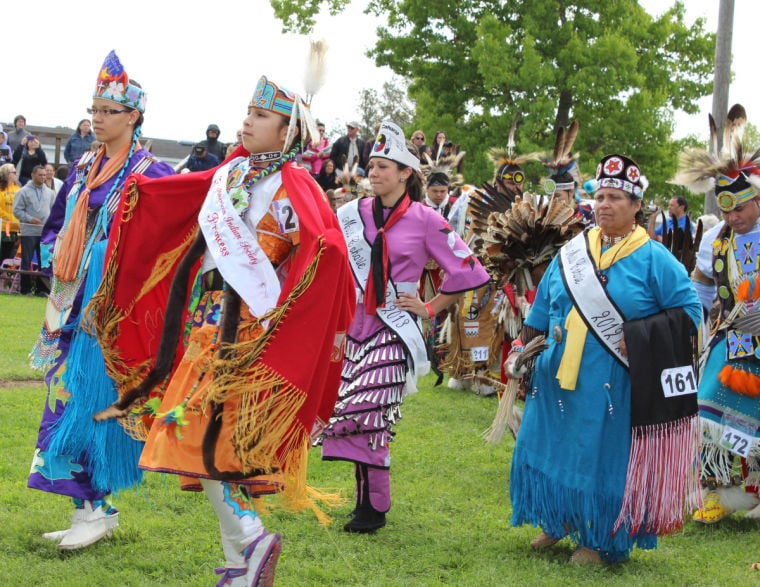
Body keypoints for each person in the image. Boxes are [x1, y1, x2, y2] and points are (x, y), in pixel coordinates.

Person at [90, 73, 354, 586]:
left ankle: (251, 540)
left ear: (286, 133)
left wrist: (286, 290)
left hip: (250, 333)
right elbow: (176, 199)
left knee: (199, 439)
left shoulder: (293, 185)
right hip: (210, 323)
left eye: (262, 116)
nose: (248, 121)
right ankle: (241, 561)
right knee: (206, 443)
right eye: (249, 112)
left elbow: (329, 250)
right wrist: (139, 195)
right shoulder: (231, 174)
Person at [507, 154, 702, 564]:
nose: (604, 205)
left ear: (636, 207)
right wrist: (523, 350)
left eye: (615, 198)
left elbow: (690, 314)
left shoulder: (655, 259)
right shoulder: (572, 253)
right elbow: (543, 308)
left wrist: (641, 335)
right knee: (553, 443)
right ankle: (556, 517)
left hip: (614, 379)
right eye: (600, 197)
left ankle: (601, 538)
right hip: (557, 370)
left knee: (599, 454)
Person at [26, 50, 175, 550]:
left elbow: (167, 242)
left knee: (92, 404)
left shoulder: (150, 173)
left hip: (110, 313)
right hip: (70, 301)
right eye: (94, 108)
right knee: (64, 398)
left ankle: (93, 506)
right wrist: (58, 260)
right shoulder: (86, 164)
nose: (98, 117)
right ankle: (92, 507)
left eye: (109, 110)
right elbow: (56, 227)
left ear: (133, 116)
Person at [316, 121, 490, 533]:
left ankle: (373, 508)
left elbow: (470, 271)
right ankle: (367, 501)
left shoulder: (426, 219)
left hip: (394, 327)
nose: (374, 174)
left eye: (383, 167)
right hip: (352, 324)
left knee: (368, 409)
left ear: (406, 173)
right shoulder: (350, 214)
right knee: (353, 413)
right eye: (371, 166)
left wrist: (430, 307)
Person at [675, 105, 760, 523]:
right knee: (708, 408)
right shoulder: (716, 239)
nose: (732, 217)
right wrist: (693, 321)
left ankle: (752, 492)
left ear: (756, 200)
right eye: (726, 210)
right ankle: (715, 490)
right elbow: (701, 284)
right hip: (729, 338)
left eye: (739, 209)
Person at [12, 165, 55, 295]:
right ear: (32, 175)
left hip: (45, 233)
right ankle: (25, 290)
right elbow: (16, 211)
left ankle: (41, 289)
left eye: (44, 175)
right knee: (27, 260)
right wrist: (30, 219)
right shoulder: (23, 192)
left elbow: (53, 211)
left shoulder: (50, 193)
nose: (43, 177)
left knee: (44, 261)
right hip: (29, 232)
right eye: (40, 175)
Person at [0, 163, 21, 261]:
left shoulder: (18, 188)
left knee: (10, 255)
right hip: (3, 227)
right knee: (3, 253)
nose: (16, 174)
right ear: (7, 174)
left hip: (16, 228)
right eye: (14, 172)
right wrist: (9, 217)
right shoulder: (1, 188)